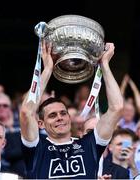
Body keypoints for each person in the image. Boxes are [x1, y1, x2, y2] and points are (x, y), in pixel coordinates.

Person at [20, 41, 123, 179]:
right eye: (52, 115)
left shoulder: (90, 144)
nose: (60, 117)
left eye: (63, 113)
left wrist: (105, 65)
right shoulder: (37, 148)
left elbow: (117, 108)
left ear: (69, 117)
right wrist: (48, 69)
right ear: (41, 124)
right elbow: (26, 112)